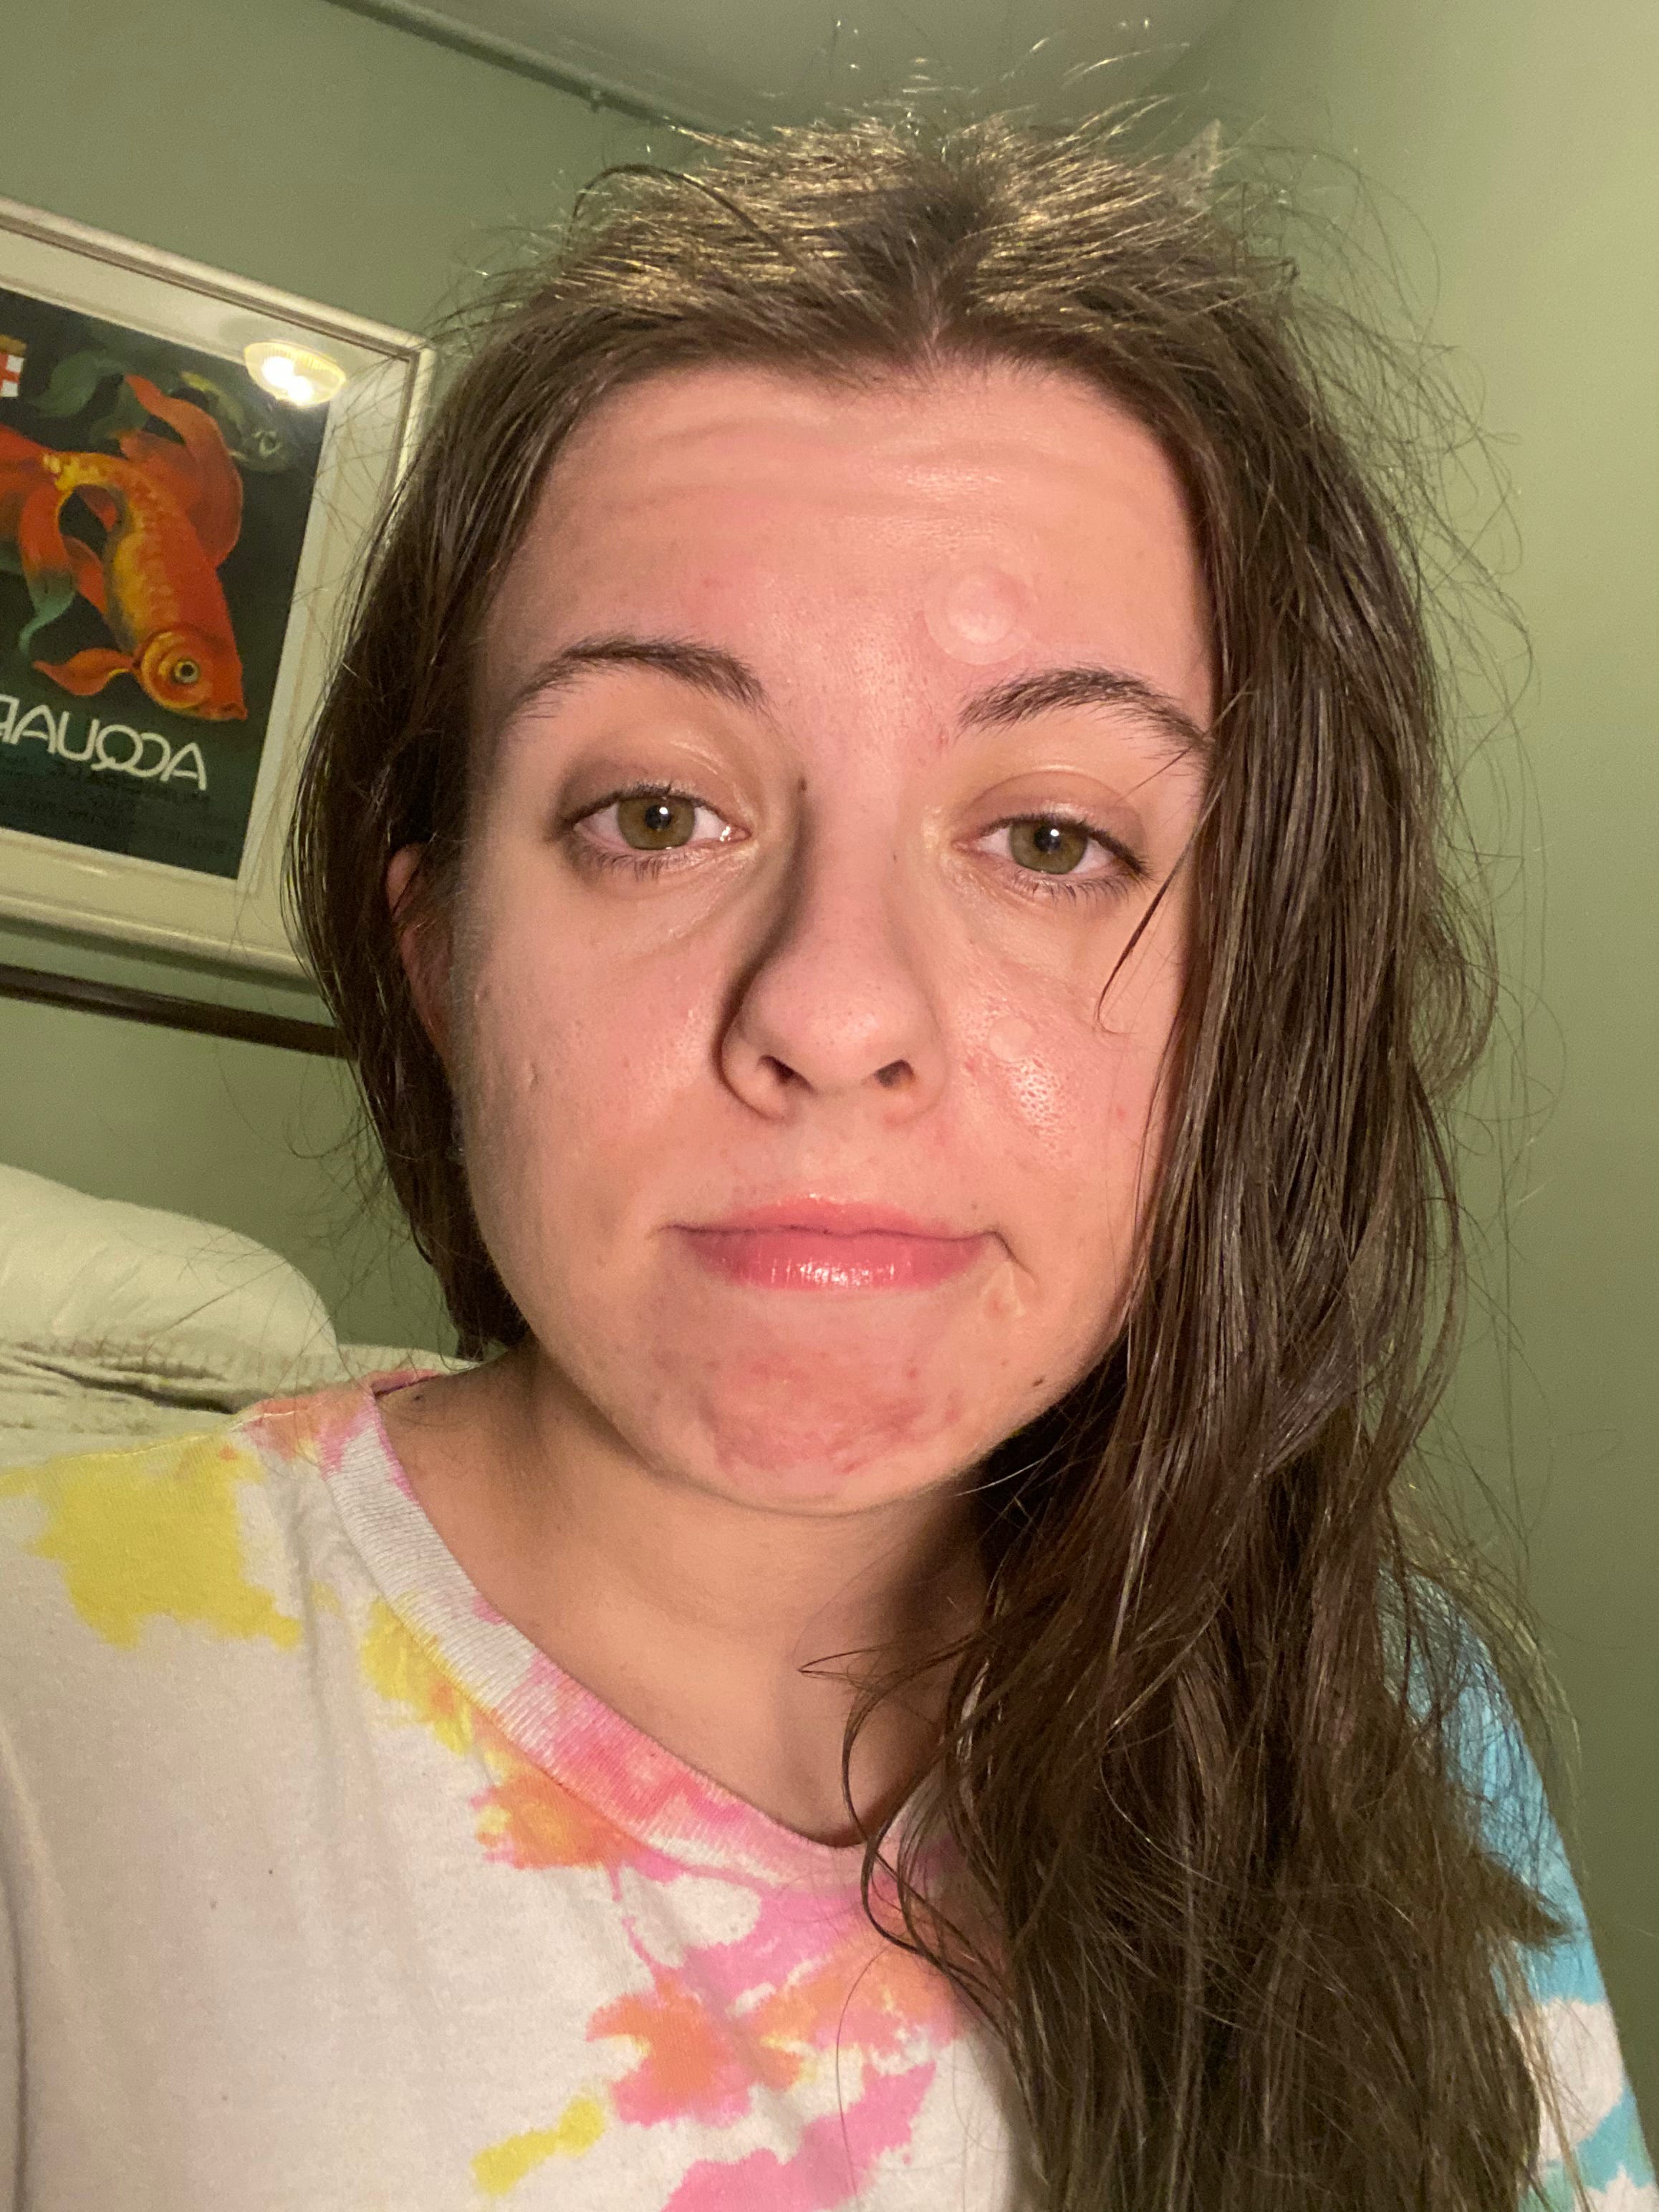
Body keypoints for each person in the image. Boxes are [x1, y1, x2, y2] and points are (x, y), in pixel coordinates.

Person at [0, 116, 1651, 2212]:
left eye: (1052, 839)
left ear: (1260, 999)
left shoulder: (1385, 1716)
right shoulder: (55, 1736)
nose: (836, 1003)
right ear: (432, 953)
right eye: (657, 815)